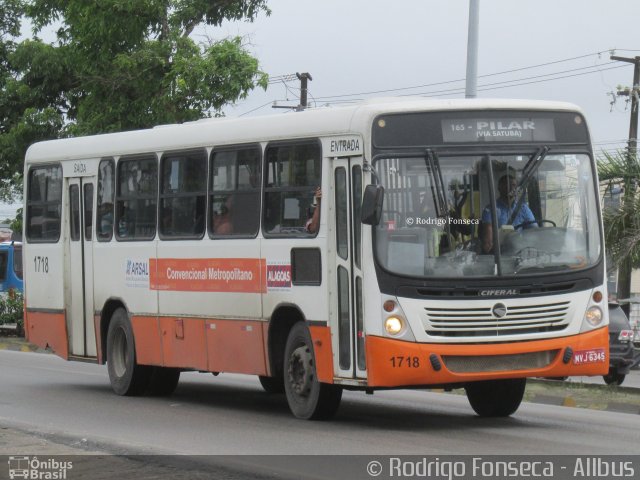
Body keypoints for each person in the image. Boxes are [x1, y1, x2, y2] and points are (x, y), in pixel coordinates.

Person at [481, 174, 537, 253]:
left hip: (521, 252)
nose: (511, 188)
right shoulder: (490, 210)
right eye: (507, 185)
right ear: (499, 188)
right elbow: (488, 243)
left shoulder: (523, 208)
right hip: (500, 255)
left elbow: (534, 231)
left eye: (514, 185)